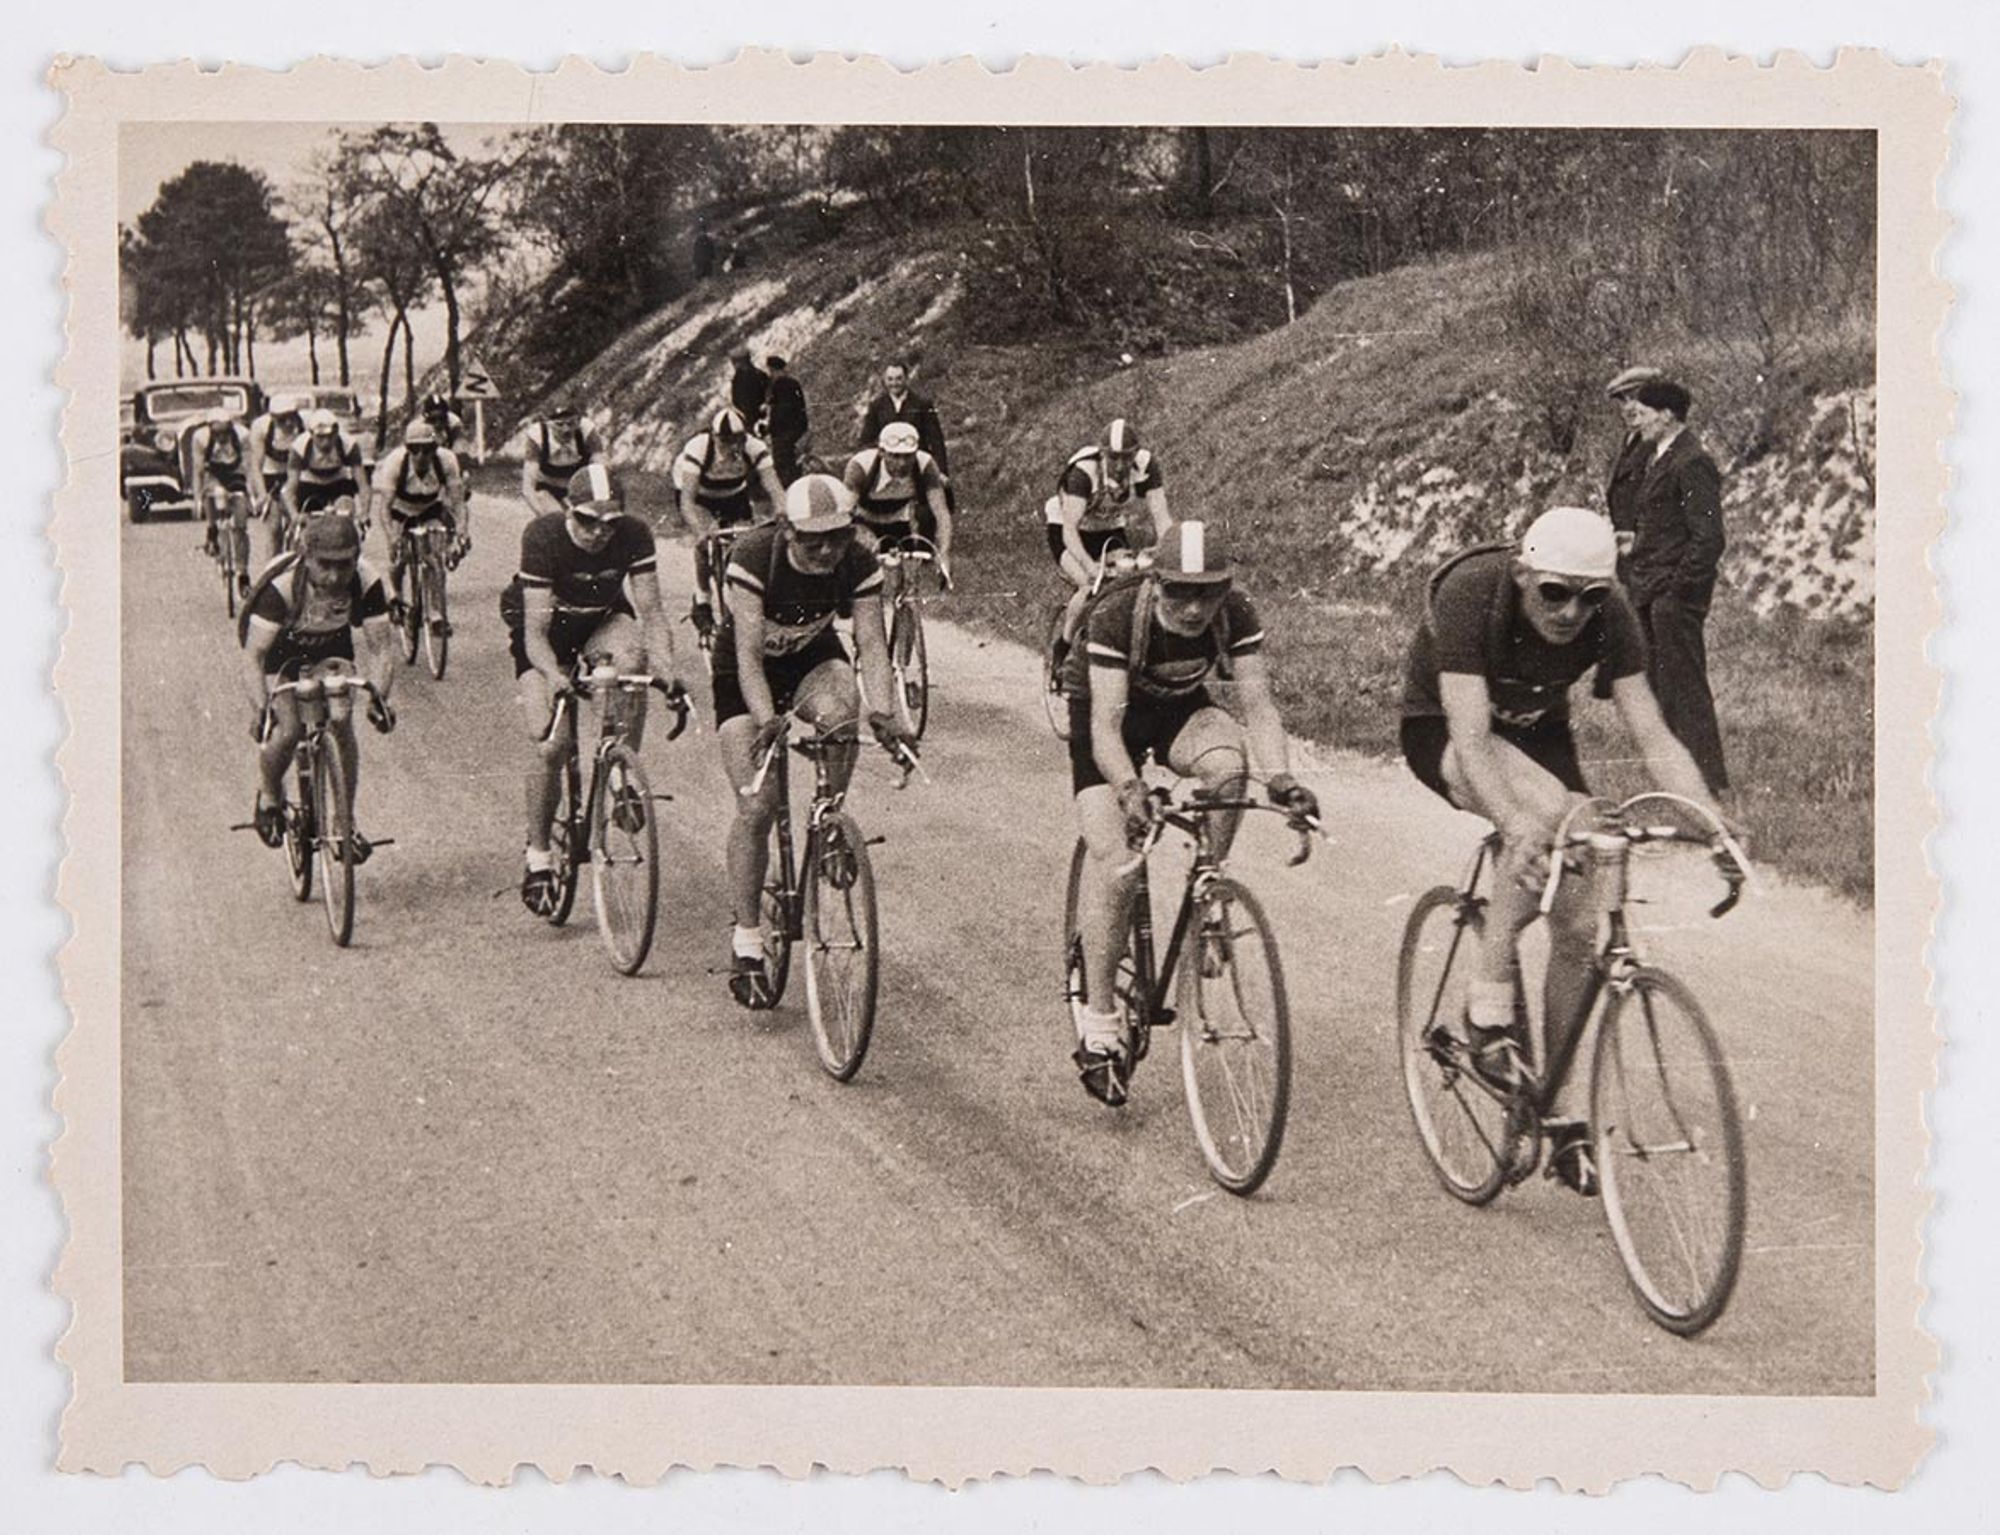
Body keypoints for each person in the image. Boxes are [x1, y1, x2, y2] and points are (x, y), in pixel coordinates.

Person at [1397, 506, 1732, 1193]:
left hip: (1538, 733)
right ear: (1522, 575)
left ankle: (1560, 1111)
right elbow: (1471, 735)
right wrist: (1516, 822)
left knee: (1580, 923)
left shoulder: (1612, 614)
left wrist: (1712, 821)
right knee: (1552, 819)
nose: (1571, 611)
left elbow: (1654, 733)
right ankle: (1485, 1008)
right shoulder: (1471, 594)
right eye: (1553, 592)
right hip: (1447, 731)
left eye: (1589, 596)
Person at [1065, 518, 1317, 1107]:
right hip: (1106, 721)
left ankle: (1206, 888)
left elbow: (1257, 707)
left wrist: (1281, 778)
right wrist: (1130, 789)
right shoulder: (1115, 616)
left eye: (1209, 591)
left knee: (1230, 769)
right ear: (1156, 584)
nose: (1195, 606)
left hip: (1179, 710)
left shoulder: (1237, 613)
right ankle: (1099, 1028)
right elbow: (1104, 728)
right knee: (1119, 861)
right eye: (1179, 590)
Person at [711, 474, 912, 1007]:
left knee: (842, 709)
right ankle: (748, 942)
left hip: (810, 659)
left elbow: (870, 642)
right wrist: (765, 717)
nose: (826, 550)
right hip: (745, 674)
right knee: (757, 807)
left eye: (838, 537)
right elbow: (749, 656)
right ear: (785, 531)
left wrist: (886, 713)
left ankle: (828, 817)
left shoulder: (857, 561)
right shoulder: (754, 557)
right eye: (812, 540)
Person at [506, 464, 684, 916]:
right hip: (547, 634)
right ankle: (540, 856)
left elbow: (652, 610)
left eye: (611, 522)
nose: (600, 532)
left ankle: (621, 770)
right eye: (587, 520)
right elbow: (535, 633)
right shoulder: (542, 537)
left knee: (632, 662)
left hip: (602, 619)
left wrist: (666, 667)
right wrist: (554, 675)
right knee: (551, 744)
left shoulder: (635, 534)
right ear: (568, 511)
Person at [239, 510, 396, 856]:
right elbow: (253, 656)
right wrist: (262, 708)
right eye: (324, 564)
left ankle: (345, 823)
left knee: (341, 721)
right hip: (282, 651)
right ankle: (268, 795)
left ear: (357, 555)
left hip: (331, 644)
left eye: (344, 564)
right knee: (289, 729)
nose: (334, 575)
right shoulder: (281, 588)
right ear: (306, 555)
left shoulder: (367, 580)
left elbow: (382, 647)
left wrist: (379, 698)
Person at [1621, 377, 1730, 794]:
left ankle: (1710, 784)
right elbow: (1667, 525)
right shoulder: (1661, 455)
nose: (1638, 421)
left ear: (1667, 416)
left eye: (1645, 414)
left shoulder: (1691, 460)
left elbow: (1709, 538)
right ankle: (1678, 784)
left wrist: (1677, 592)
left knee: (1685, 689)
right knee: (1662, 690)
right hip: (1651, 591)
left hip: (1671, 597)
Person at [1045, 418, 1171, 674]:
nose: (1121, 465)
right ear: (1102, 454)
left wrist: (1170, 551)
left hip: (1108, 528)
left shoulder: (1146, 466)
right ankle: (1063, 649)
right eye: (1113, 458)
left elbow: (1162, 518)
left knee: (1131, 584)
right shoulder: (1084, 473)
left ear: (1135, 454)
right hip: (1067, 529)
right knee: (1090, 587)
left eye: (1127, 457)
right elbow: (1070, 531)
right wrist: (1091, 567)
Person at [675, 408, 788, 641]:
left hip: (734, 495)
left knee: (746, 543)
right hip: (700, 497)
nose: (733, 448)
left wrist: (783, 513)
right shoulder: (698, 448)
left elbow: (775, 488)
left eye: (738, 441)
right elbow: (687, 501)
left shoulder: (755, 448)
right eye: (726, 442)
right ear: (715, 437)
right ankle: (702, 599)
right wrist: (700, 531)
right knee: (705, 541)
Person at [369, 419, 468, 626]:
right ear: (407, 449)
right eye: (415, 450)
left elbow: (458, 502)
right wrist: (392, 536)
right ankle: (395, 594)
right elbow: (384, 508)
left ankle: (436, 613)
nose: (421, 456)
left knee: (434, 560)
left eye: (427, 449)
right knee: (399, 558)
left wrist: (462, 530)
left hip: (429, 508)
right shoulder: (395, 463)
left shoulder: (447, 461)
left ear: (435, 449)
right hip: (400, 509)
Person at [841, 422, 954, 579]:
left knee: (903, 576)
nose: (902, 463)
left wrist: (944, 554)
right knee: (869, 573)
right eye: (895, 456)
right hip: (864, 520)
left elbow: (941, 513)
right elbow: (844, 513)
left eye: (908, 456)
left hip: (898, 518)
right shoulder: (861, 466)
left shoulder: (925, 464)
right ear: (881, 452)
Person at [856, 361, 950, 480]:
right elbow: (866, 440)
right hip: (886, 467)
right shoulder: (876, 406)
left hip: (917, 465)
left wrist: (941, 471)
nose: (894, 383)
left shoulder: (922, 404)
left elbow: (936, 440)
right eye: (890, 379)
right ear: (884, 380)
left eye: (898, 379)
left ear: (906, 379)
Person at [187, 406, 252, 580]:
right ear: (210, 430)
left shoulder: (243, 435)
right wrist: (197, 498)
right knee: (213, 492)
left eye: (225, 432)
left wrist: (251, 494)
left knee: (240, 525)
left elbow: (249, 466)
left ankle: (243, 570)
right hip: (214, 473)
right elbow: (198, 469)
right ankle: (212, 527)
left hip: (235, 472)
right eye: (217, 433)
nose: (221, 437)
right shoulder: (200, 438)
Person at [282, 409, 367, 538]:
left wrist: (364, 513)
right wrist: (294, 514)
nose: (326, 442)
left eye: (330, 436)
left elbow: (363, 485)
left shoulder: (349, 445)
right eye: (320, 437)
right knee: (308, 525)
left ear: (337, 432)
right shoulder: (299, 447)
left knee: (345, 517)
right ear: (311, 434)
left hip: (338, 481)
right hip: (310, 483)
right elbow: (290, 488)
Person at [246, 394, 307, 563]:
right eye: (282, 420)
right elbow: (256, 467)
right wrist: (262, 494)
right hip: (271, 474)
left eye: (291, 418)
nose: (288, 423)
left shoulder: (307, 424)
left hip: (299, 474)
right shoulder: (261, 427)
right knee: (274, 530)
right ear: (272, 418)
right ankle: (271, 573)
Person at [518, 400, 605, 517]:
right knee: (558, 519)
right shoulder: (537, 435)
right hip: (547, 487)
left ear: (578, 421)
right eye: (559, 424)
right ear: (549, 424)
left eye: (571, 423)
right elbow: (528, 487)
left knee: (586, 520)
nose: (566, 430)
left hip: (578, 486)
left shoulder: (587, 430)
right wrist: (543, 517)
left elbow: (602, 472)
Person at [763, 355, 810, 486]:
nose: (771, 375)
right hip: (798, 429)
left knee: (783, 464)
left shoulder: (780, 385)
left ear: (775, 370)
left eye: (771, 371)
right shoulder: (793, 383)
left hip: (784, 433)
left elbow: (781, 412)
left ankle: (790, 487)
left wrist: (770, 428)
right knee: (792, 462)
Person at [729, 351, 768, 428]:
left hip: (755, 415)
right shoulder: (758, 373)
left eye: (735, 362)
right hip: (759, 413)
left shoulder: (739, 380)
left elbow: (735, 401)